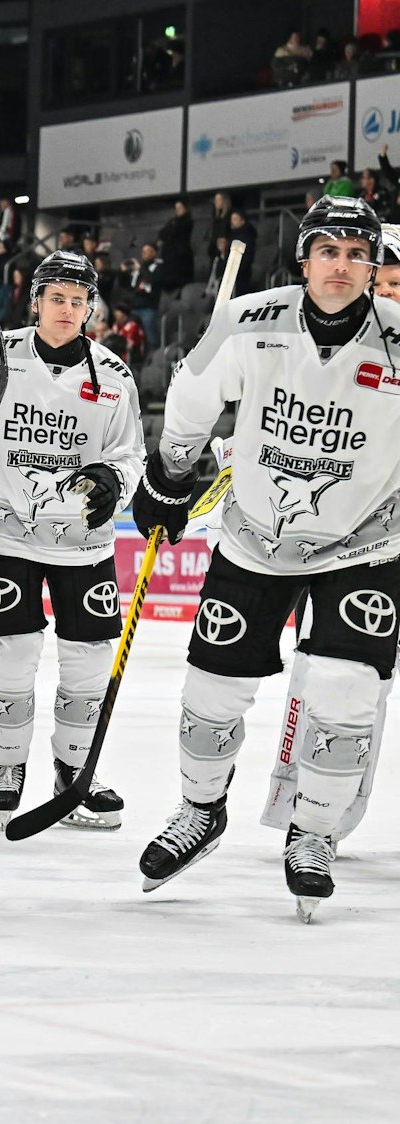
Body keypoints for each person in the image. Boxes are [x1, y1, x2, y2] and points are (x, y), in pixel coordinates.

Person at [130, 196, 400, 921]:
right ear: (303, 258)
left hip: (365, 543)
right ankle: (199, 811)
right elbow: (190, 395)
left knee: (344, 692)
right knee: (211, 686)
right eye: (327, 251)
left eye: (355, 253)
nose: (340, 266)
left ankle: (312, 833)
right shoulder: (249, 318)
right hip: (254, 536)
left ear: (373, 266)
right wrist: (169, 474)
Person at [0, 250, 142, 832]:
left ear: (91, 309)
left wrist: (113, 480)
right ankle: (8, 766)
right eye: (58, 298)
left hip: (84, 544)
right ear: (36, 301)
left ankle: (75, 770)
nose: (68, 309)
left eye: (79, 301)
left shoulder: (115, 374)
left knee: (88, 660)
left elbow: (129, 453)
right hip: (8, 534)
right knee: (15, 653)